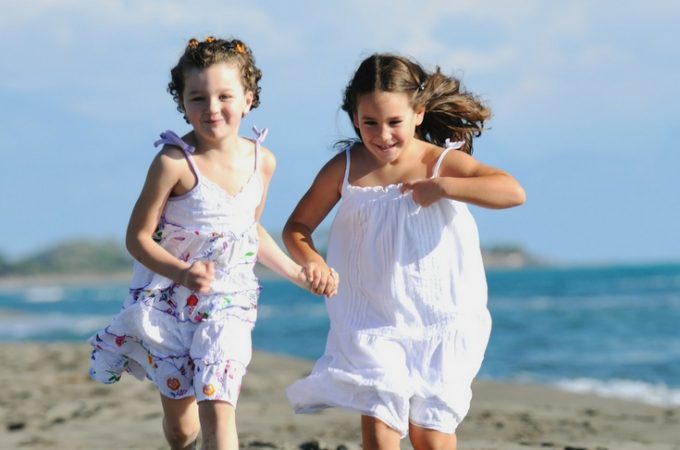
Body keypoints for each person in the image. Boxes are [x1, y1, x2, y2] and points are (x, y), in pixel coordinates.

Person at [89, 36, 334, 450]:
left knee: (219, 409)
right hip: (168, 305)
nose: (212, 109)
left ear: (248, 99)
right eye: (198, 98)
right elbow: (138, 238)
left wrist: (296, 273)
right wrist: (182, 271)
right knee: (184, 428)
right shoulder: (173, 162)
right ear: (182, 103)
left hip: (230, 304)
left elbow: (248, 232)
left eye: (225, 96)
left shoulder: (263, 160)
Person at [282, 53, 525, 450]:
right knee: (379, 432)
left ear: (418, 114)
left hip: (440, 319)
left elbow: (512, 191)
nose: (382, 135)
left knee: (430, 438)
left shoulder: (439, 162)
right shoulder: (344, 168)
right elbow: (297, 227)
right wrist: (311, 259)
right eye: (370, 123)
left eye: (394, 122)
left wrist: (444, 187)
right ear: (355, 118)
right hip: (372, 320)